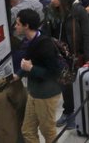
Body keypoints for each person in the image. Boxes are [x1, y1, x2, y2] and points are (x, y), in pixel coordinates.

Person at [46, 0, 89, 127]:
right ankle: (68, 111)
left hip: (75, 54)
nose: (52, 0)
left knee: (75, 85)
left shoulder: (78, 11)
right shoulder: (50, 11)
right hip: (60, 55)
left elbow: (87, 35)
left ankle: (77, 113)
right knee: (64, 85)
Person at [16, 9, 63, 143]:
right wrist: (18, 75)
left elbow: (53, 73)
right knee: (27, 130)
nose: (15, 26)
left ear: (26, 26)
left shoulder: (45, 45)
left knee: (48, 131)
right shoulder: (29, 41)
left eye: (18, 24)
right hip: (34, 92)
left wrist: (31, 68)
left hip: (47, 95)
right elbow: (29, 61)